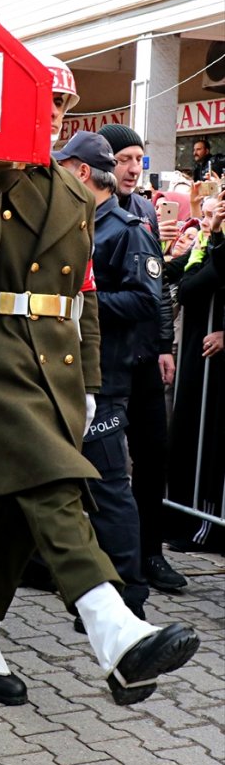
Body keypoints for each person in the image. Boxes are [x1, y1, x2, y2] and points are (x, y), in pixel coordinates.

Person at [0, 62, 199, 709]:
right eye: (38, 99)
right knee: (55, 484)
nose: (49, 111)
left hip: (55, 361)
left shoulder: (75, 189)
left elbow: (80, 295)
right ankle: (110, 627)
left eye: (59, 102)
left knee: (17, 514)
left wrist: (86, 378)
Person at [54, 131, 162, 620]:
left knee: (110, 487)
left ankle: (128, 597)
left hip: (108, 376)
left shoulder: (127, 228)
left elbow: (146, 299)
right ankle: (73, 579)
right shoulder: (76, 222)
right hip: (68, 374)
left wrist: (79, 304)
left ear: (80, 172)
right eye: (126, 160)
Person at [98, 124, 186, 593]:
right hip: (104, 363)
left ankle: (151, 553)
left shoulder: (147, 211)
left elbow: (158, 294)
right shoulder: (88, 212)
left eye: (138, 158)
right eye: (123, 159)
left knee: (153, 457)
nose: (133, 169)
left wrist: (166, 346)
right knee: (104, 466)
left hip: (146, 359)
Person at [164, 193, 225, 552]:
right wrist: (207, 234)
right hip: (197, 359)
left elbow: (198, 284)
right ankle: (185, 518)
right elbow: (185, 283)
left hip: (213, 369)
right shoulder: (211, 239)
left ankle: (205, 524)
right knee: (188, 432)